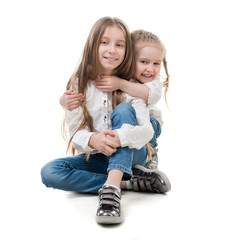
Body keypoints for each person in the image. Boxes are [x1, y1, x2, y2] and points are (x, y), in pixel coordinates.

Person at [41, 17, 171, 225]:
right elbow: (75, 134)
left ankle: (111, 191)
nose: (112, 49)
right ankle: (128, 183)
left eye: (119, 44)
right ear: (93, 45)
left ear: (127, 50)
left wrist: (119, 136)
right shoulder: (79, 85)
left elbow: (147, 131)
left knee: (124, 109)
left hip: (134, 151)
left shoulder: (130, 85)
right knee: (49, 172)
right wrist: (94, 139)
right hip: (103, 156)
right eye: (104, 42)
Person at [60, 29, 170, 169]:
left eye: (156, 63)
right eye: (144, 62)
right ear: (130, 59)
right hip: (118, 134)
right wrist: (63, 101)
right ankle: (124, 178)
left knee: (145, 121)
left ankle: (150, 152)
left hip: (148, 125)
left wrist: (120, 84)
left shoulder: (148, 83)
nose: (150, 69)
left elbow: (152, 95)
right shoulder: (95, 81)